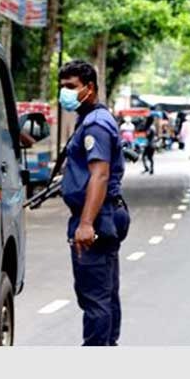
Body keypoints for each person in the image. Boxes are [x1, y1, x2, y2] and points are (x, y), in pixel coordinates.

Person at [58, 60, 130, 346]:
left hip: (99, 216)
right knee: (106, 293)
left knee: (95, 297)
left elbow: (99, 175)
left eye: (71, 87)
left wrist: (86, 223)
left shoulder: (96, 125)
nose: (65, 93)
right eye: (62, 87)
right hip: (105, 212)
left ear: (89, 88)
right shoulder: (90, 119)